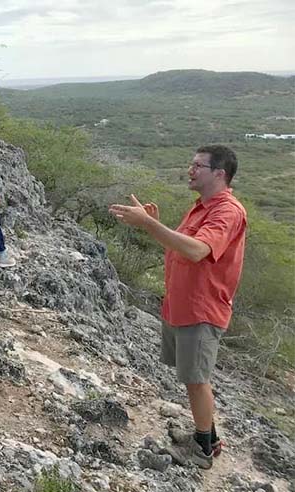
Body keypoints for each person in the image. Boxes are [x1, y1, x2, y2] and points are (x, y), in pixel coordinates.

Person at [109, 145, 247, 470]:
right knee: (191, 376)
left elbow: (199, 250)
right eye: (192, 164)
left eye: (198, 165)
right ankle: (208, 437)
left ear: (219, 173)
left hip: (201, 310)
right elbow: (182, 248)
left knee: (197, 379)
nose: (190, 169)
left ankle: (202, 451)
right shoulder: (202, 207)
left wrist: (149, 225)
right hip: (182, 306)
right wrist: (154, 225)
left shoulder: (227, 211)